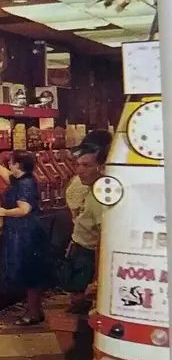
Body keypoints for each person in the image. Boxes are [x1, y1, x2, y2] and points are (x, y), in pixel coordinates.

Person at [0, 151, 48, 325]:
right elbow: (7, 176)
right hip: (24, 230)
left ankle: (32, 313)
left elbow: (24, 209)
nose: (9, 165)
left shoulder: (25, 184)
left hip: (25, 232)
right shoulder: (23, 179)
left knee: (28, 272)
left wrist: (3, 212)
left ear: (18, 165)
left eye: (11, 162)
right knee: (31, 272)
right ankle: (35, 310)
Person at [60, 133, 111, 313]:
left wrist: (97, 279)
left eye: (87, 166)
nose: (79, 171)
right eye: (78, 165)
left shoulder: (100, 197)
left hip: (88, 257)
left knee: (83, 305)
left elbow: (102, 240)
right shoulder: (91, 190)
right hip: (80, 252)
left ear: (101, 167)